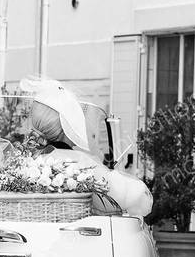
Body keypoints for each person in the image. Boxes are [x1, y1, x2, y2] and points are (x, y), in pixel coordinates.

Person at [18, 77, 153, 216]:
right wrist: (113, 174)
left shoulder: (24, 165)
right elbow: (140, 199)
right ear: (67, 127)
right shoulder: (79, 165)